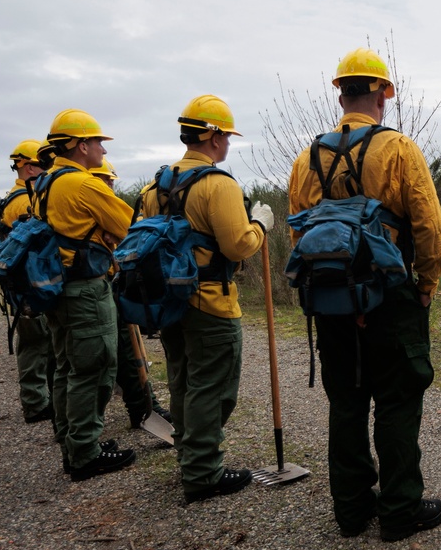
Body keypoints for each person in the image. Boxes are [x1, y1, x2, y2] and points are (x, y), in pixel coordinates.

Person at [288, 47, 441, 541]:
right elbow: (430, 230)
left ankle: (352, 510)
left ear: (341, 92)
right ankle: (400, 509)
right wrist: (425, 286)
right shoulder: (398, 149)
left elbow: (297, 236)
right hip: (391, 298)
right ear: (383, 93)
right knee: (398, 400)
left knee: (348, 401)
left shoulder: (306, 158)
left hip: (332, 301)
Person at [140, 95, 273, 504]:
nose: (229, 144)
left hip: (169, 303)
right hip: (211, 304)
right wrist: (261, 224)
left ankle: (189, 456)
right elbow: (237, 247)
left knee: (181, 378)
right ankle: (202, 473)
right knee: (212, 387)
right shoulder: (218, 185)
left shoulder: (152, 188)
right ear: (212, 137)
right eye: (226, 136)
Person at [38, 109, 136, 481]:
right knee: (93, 367)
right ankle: (84, 454)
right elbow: (130, 227)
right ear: (81, 145)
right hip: (84, 291)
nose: (102, 152)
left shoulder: (48, 181)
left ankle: (74, 441)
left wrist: (98, 233)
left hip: (59, 287)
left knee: (66, 367)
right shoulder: (83, 183)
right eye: (98, 143)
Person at [87, 159, 172, 430]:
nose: (110, 184)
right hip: (101, 285)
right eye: (106, 179)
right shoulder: (90, 196)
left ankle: (142, 407)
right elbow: (132, 229)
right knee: (124, 349)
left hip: (107, 283)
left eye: (111, 180)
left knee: (124, 350)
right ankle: (145, 408)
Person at [1, 139, 55, 424]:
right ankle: (36, 404)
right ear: (30, 166)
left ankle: (40, 401)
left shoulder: (19, 196)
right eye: (44, 165)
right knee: (36, 344)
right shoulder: (23, 201)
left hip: (27, 282)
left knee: (37, 343)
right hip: (30, 285)